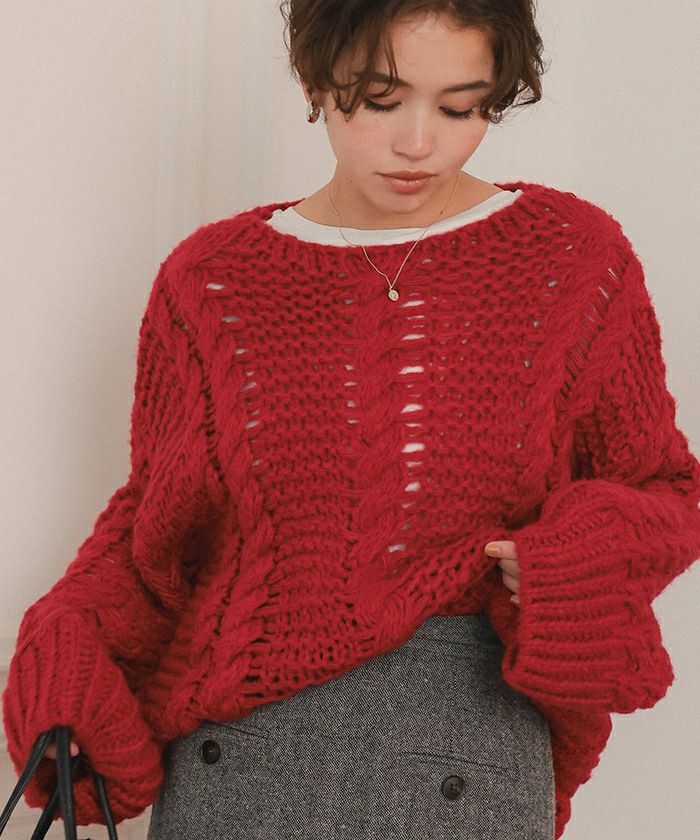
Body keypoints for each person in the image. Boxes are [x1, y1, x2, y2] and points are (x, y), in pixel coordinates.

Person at [4, 1, 700, 838]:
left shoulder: (571, 259)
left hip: (463, 761)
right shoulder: (213, 282)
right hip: (237, 772)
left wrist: (571, 559)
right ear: (315, 78)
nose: (418, 143)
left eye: (462, 107)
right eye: (380, 100)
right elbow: (156, 531)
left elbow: (665, 488)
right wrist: (68, 636)